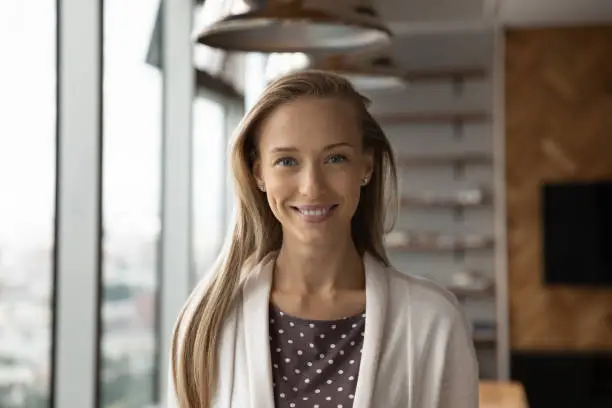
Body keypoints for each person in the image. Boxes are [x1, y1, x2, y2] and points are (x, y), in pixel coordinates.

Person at [167, 70, 479, 408]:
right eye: (287, 161)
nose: (312, 186)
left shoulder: (433, 321)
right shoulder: (208, 322)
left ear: (366, 167)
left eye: (335, 158)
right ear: (259, 174)